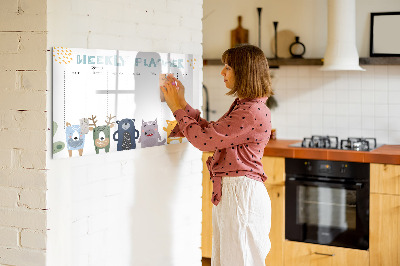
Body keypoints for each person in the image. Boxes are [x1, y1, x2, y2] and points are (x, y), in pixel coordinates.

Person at [161, 44, 273, 266]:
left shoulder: (250, 111)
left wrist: (176, 108)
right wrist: (182, 104)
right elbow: (212, 133)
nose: (222, 72)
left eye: (228, 67)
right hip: (236, 193)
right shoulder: (246, 106)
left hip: (241, 195)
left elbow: (204, 141)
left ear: (244, 72)